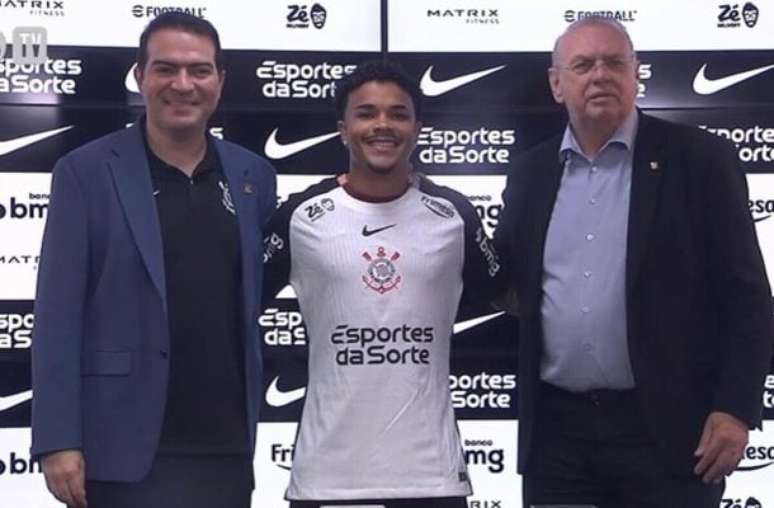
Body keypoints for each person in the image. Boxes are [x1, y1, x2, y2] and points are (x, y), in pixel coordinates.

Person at [494, 15, 773, 508]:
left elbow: (747, 295)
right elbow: (505, 278)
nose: (600, 74)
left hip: (670, 431)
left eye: (614, 62)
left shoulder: (701, 159)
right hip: (558, 438)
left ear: (635, 73)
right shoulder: (530, 172)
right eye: (583, 65)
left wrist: (735, 409)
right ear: (557, 85)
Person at [31, 12, 276, 508]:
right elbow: (57, 314)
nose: (182, 84)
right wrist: (58, 439)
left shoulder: (254, 175)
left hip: (225, 445)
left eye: (199, 70)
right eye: (166, 68)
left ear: (220, 81)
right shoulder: (84, 171)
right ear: (140, 76)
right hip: (120, 445)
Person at [262, 60, 500, 508]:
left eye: (398, 113)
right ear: (343, 129)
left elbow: (505, 295)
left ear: (417, 129)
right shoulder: (299, 216)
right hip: (327, 478)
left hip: (432, 478)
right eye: (366, 113)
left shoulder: (455, 216)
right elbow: (238, 305)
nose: (383, 125)